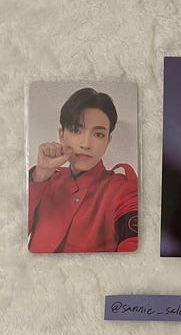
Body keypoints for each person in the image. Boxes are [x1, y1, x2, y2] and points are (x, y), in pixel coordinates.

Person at [28, 88, 138, 253]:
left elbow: (135, 251)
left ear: (108, 140)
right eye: (75, 130)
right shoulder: (43, 180)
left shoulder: (123, 189)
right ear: (61, 135)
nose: (86, 144)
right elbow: (10, 236)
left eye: (98, 134)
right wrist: (41, 174)